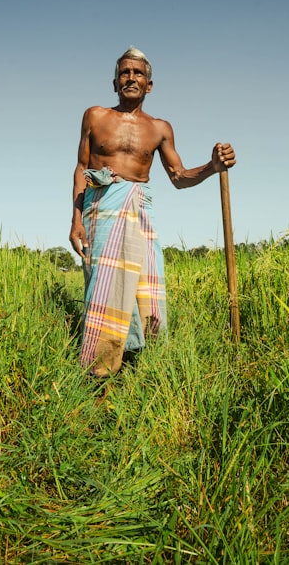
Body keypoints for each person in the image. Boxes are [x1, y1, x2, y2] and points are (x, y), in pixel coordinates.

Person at [69, 47, 236, 377]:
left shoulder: (160, 128)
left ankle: (139, 365)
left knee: (145, 286)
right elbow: (81, 167)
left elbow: (179, 177)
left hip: (139, 210)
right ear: (115, 82)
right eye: (125, 73)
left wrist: (212, 166)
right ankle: (100, 374)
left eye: (138, 73)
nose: (131, 78)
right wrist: (75, 220)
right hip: (101, 208)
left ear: (150, 84)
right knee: (104, 287)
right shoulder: (95, 116)